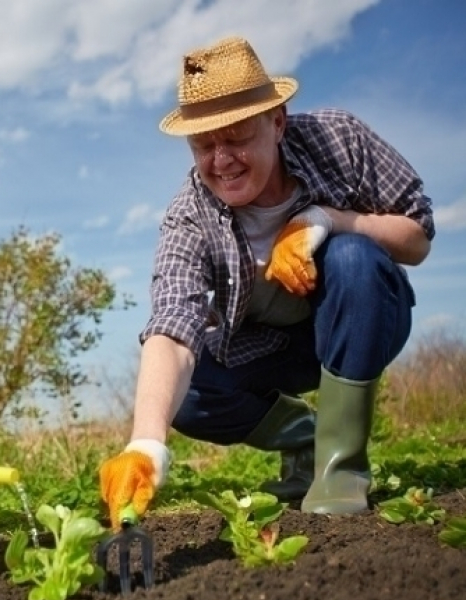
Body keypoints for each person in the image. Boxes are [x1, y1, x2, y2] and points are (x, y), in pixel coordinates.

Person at [99, 36, 434, 530]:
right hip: (271, 350)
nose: (221, 160)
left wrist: (321, 220)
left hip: (361, 320)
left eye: (235, 138)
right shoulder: (189, 218)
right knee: (187, 393)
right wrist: (146, 445)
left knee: (353, 257)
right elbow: (173, 326)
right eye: (204, 145)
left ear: (276, 123)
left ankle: (340, 468)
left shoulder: (337, 140)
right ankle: (305, 440)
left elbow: (417, 238)